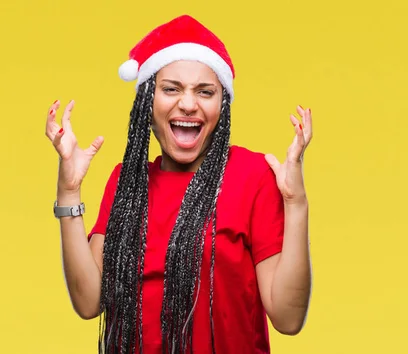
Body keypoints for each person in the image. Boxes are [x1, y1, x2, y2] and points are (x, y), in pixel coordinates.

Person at [45, 14, 312, 354]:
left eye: (205, 92)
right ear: (147, 102)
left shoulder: (251, 176)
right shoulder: (126, 184)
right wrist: (68, 192)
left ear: (222, 105)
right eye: (171, 89)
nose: (188, 104)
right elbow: (88, 302)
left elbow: (288, 319)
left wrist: (296, 203)